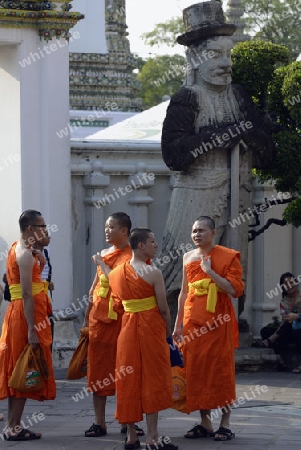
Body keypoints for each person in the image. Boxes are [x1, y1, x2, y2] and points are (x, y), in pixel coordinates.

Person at [160, 1, 274, 300]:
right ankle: (181, 327)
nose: (226, 63)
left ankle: (230, 328)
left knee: (234, 267)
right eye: (215, 54)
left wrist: (250, 134)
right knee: (183, 269)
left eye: (228, 54)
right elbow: (174, 155)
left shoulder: (239, 96)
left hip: (239, 192)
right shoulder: (187, 98)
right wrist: (217, 137)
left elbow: (267, 149)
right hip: (197, 193)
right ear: (194, 58)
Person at [173, 216, 244, 441]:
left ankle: (225, 423)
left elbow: (234, 290)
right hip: (193, 321)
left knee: (221, 371)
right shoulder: (187, 257)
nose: (197, 235)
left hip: (218, 321)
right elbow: (184, 293)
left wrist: (211, 272)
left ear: (213, 232)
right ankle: (205, 422)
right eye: (194, 231)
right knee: (197, 371)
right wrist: (178, 324)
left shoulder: (227, 256)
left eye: (202, 230)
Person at [109, 228, 178, 450]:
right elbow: (164, 309)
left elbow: (117, 306)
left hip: (127, 330)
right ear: (141, 245)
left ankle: (131, 436)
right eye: (152, 241)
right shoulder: (153, 272)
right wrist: (167, 333)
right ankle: (153, 437)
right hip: (151, 329)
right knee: (153, 379)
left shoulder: (115, 273)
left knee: (127, 380)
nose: (156, 245)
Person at [83, 212, 144, 438]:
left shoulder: (131, 255)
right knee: (98, 371)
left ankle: (127, 420)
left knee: (125, 370)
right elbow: (95, 286)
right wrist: (86, 317)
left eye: (111, 227)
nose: (106, 230)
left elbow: (119, 281)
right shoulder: (105, 254)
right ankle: (99, 422)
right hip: (99, 320)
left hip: (122, 319)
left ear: (124, 231)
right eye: (106, 227)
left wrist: (100, 262)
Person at [0, 210, 56, 441]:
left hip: (26, 314)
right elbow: (26, 295)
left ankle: (14, 425)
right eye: (42, 226)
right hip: (25, 317)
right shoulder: (23, 254)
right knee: (24, 366)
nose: (46, 229)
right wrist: (32, 328)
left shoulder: (24, 250)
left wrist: (39, 254)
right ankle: (12, 426)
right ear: (31, 228)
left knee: (20, 367)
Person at [259, 272, 301, 372]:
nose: (289, 286)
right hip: (288, 330)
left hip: (299, 329)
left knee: (290, 321)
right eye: (285, 284)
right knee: (265, 331)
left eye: (291, 282)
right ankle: (281, 357)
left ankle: (271, 341)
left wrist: (296, 317)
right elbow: (283, 321)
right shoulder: (283, 301)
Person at [32, 233, 55, 351]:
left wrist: (48, 282)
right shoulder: (27, 254)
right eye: (45, 234)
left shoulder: (46, 253)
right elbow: (7, 277)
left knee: (49, 330)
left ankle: (46, 364)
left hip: (46, 299)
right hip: (34, 299)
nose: (49, 237)